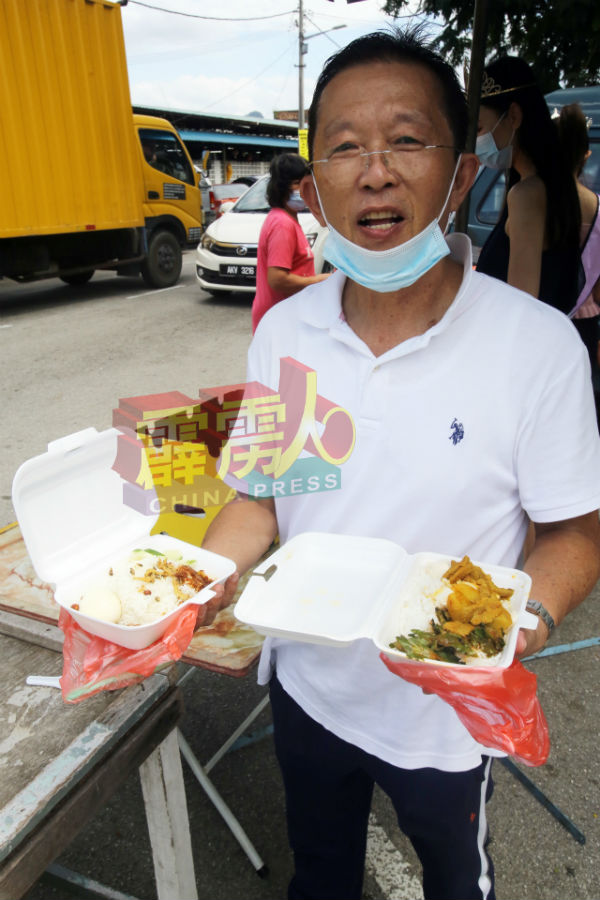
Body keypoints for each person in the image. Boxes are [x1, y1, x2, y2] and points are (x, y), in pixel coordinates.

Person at [203, 27, 600, 900]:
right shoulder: (287, 333)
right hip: (307, 689)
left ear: (461, 174)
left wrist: (511, 632)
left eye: (407, 140)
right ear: (314, 185)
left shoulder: (535, 347)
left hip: (445, 717)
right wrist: (189, 583)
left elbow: (572, 534)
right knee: (323, 876)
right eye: (345, 147)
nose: (374, 171)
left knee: (458, 885)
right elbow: (260, 502)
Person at [475, 57, 582, 314]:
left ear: (513, 116)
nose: (476, 141)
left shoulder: (526, 194)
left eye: (479, 129)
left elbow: (520, 306)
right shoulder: (554, 185)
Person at [251, 153, 330, 332]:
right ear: (281, 187)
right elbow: (277, 279)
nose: (302, 190)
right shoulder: (282, 224)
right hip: (279, 322)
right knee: (286, 362)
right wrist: (320, 280)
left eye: (306, 183)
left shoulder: (287, 219)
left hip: (286, 317)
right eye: (296, 184)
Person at [554, 103, 600, 377]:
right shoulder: (597, 207)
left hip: (545, 320)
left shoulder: (537, 203)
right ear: (586, 155)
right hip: (584, 325)